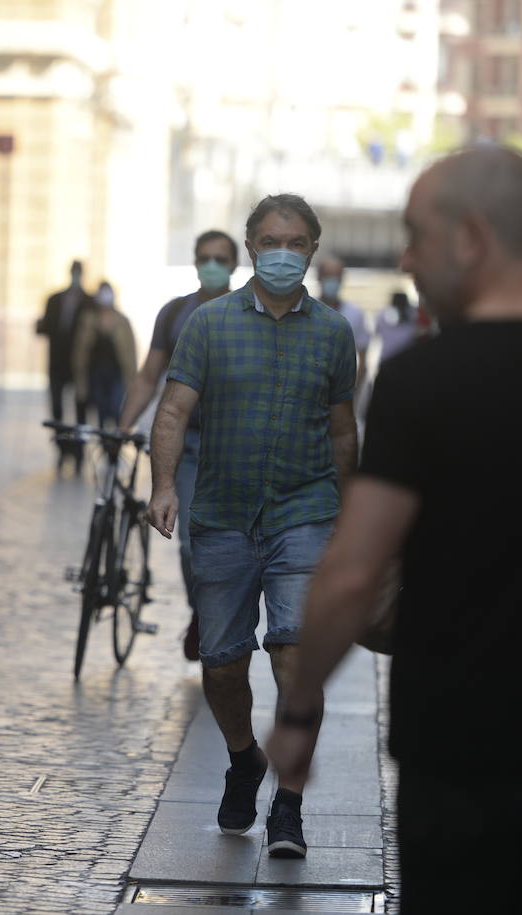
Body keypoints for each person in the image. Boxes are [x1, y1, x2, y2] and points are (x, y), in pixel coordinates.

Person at [267, 146, 522, 913]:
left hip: (459, 750)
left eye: (415, 235)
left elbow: (349, 572)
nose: (404, 256)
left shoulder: (423, 381)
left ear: (470, 238)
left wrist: (300, 712)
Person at [145, 194, 358, 860]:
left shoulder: (333, 332)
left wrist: (349, 511)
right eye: (271, 240)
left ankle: (289, 807)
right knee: (222, 662)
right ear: (249, 246)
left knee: (295, 655)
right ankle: (244, 758)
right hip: (223, 515)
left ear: (313, 251)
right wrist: (160, 485)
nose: (283, 253)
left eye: (296, 242)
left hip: (304, 511)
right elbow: (173, 411)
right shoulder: (207, 325)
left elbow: (342, 427)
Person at [119, 230, 239, 662]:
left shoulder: (246, 313)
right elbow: (148, 376)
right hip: (186, 445)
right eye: (204, 257)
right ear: (194, 261)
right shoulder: (174, 313)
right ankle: (202, 613)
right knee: (190, 544)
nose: (212, 264)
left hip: (236, 446)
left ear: (233, 263)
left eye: (220, 258)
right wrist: (123, 426)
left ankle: (226, 620)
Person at [37, 260, 90, 468]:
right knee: (57, 409)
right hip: (57, 364)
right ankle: (61, 449)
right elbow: (46, 327)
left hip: (80, 367)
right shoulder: (54, 299)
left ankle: (78, 453)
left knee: (80, 410)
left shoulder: (89, 301)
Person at [72, 281, 136, 428]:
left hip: (116, 373)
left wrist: (132, 379)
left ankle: (114, 444)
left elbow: (130, 352)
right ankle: (104, 443)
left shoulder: (122, 321)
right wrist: (80, 378)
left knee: (116, 408)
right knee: (101, 410)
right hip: (96, 373)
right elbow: (80, 350)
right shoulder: (88, 320)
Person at [317, 256, 369, 396]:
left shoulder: (355, 314)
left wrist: (353, 394)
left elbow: (363, 360)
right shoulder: (305, 312)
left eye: (336, 277)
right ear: (319, 277)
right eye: (328, 277)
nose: (332, 282)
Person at [373, 291, 421, 367]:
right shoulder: (413, 314)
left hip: (388, 356)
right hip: (407, 357)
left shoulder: (382, 314)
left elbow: (376, 332)